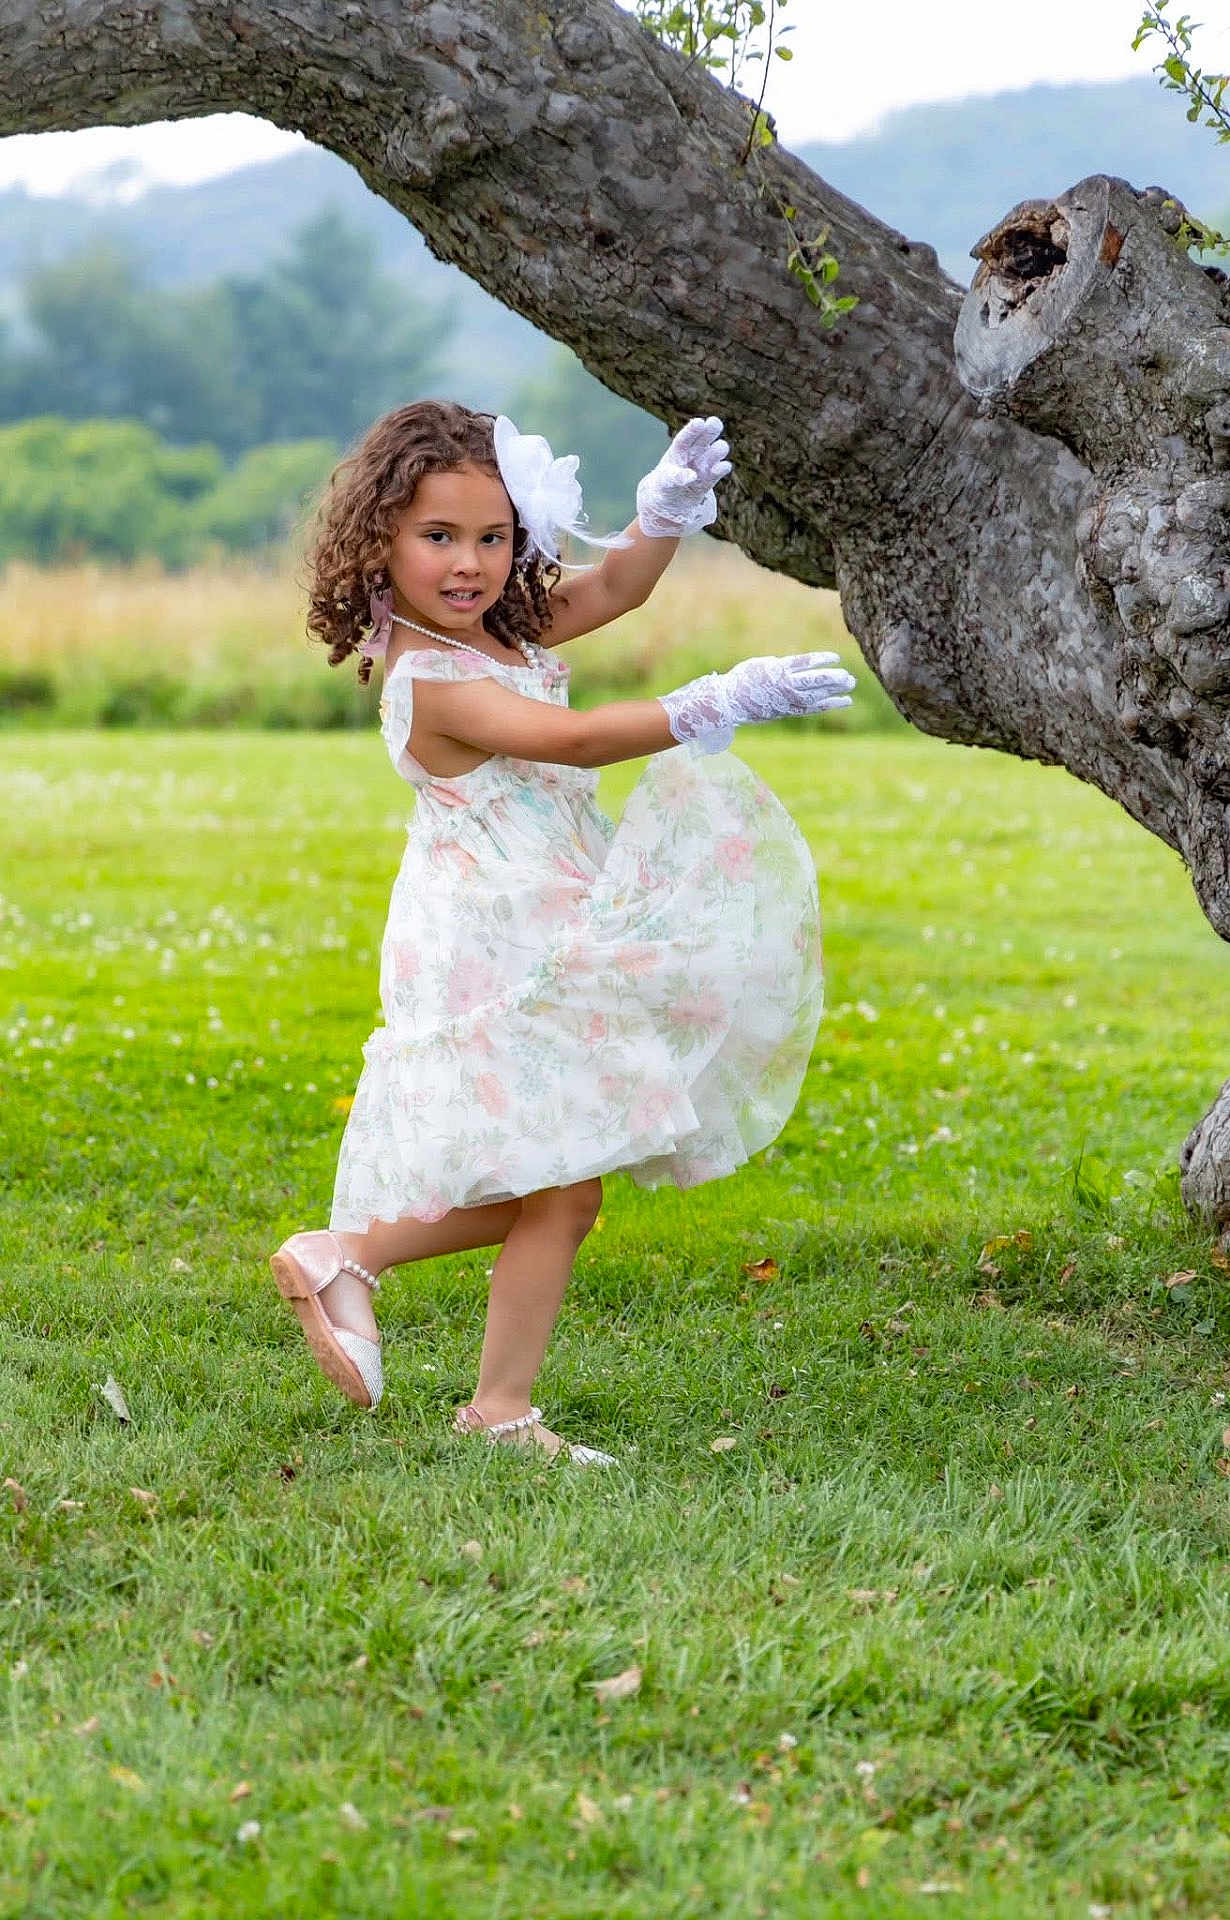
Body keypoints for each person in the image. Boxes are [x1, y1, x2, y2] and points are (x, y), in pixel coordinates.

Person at [269, 399, 855, 1465]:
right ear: (380, 542)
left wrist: (662, 511)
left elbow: (618, 585)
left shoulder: (497, 633)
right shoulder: (430, 674)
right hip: (492, 937)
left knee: (566, 1186)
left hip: (545, 911)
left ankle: (477, 1385)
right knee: (562, 1178)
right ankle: (365, 1271)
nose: (470, 564)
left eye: (492, 537)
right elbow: (578, 739)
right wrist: (709, 702)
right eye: (438, 537)